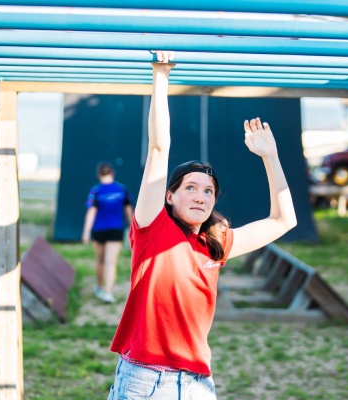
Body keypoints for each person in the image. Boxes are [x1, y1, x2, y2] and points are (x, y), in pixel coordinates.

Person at [107, 51, 297, 400]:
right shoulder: (152, 229)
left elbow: (284, 220)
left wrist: (270, 156)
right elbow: (159, 148)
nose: (200, 196)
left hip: (198, 382)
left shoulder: (215, 243)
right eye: (190, 188)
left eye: (208, 191)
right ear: (169, 196)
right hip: (146, 380)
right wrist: (161, 76)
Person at [82, 162, 133, 303]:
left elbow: (91, 212)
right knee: (111, 262)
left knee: (100, 261)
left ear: (99, 175)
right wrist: (132, 227)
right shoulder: (122, 189)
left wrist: (86, 232)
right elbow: (128, 210)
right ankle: (108, 292)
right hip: (116, 229)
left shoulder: (95, 190)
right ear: (112, 173)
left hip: (99, 230)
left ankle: (100, 288)